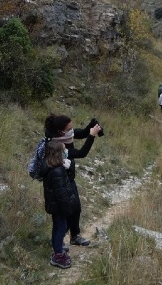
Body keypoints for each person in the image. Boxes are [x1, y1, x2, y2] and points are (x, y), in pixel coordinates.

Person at [45, 114, 102, 248]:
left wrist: (90, 126)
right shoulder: (57, 146)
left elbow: (80, 133)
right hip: (59, 182)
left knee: (76, 208)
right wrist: (92, 135)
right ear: (61, 131)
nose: (72, 130)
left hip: (68, 179)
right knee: (63, 212)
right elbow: (81, 153)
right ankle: (58, 240)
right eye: (69, 128)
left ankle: (74, 236)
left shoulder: (65, 135)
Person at [43, 140, 78, 269]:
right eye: (64, 151)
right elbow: (61, 193)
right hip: (59, 207)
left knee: (57, 227)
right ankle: (58, 255)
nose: (66, 152)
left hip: (55, 206)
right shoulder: (57, 171)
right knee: (61, 228)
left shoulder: (52, 168)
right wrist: (67, 209)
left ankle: (57, 250)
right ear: (58, 154)